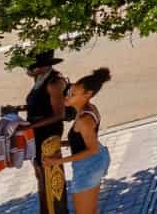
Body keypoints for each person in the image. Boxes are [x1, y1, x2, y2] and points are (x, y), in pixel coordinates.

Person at [60, 68, 112, 214]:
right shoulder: (85, 110)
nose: (68, 96)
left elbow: (92, 149)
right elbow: (83, 139)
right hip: (94, 160)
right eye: (70, 91)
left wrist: (57, 161)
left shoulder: (85, 119)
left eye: (73, 94)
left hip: (89, 164)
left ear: (87, 95)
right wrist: (64, 144)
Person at [22, 51, 68, 214]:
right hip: (36, 131)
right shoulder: (39, 79)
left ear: (43, 67)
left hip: (48, 133)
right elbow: (40, 104)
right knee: (40, 172)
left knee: (50, 174)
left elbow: (58, 115)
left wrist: (30, 126)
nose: (28, 70)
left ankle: (56, 210)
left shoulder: (54, 82)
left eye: (32, 67)